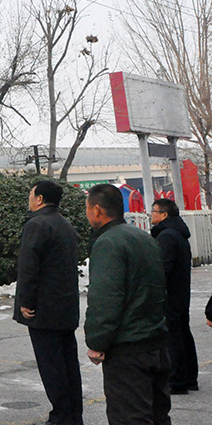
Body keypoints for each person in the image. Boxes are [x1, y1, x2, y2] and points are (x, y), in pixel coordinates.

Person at [84, 183, 171, 425]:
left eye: (88, 208)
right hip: (155, 342)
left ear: (97, 210)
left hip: (128, 349)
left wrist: (97, 342)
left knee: (130, 417)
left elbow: (106, 298)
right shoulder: (144, 237)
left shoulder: (109, 243)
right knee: (158, 415)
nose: (87, 214)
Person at [13, 179, 83, 425]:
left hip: (44, 309)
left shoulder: (36, 225)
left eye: (31, 194)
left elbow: (29, 266)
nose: (29, 199)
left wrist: (25, 300)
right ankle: (73, 415)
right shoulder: (64, 223)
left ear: (40, 199)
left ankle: (61, 416)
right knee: (69, 366)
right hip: (65, 307)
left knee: (52, 368)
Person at [150, 198, 198, 394]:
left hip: (170, 295)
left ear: (164, 215)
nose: (151, 215)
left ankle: (177, 380)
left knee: (172, 336)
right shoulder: (177, 233)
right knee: (183, 333)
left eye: (154, 211)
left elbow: (162, 268)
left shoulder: (167, 236)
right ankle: (189, 378)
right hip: (180, 293)